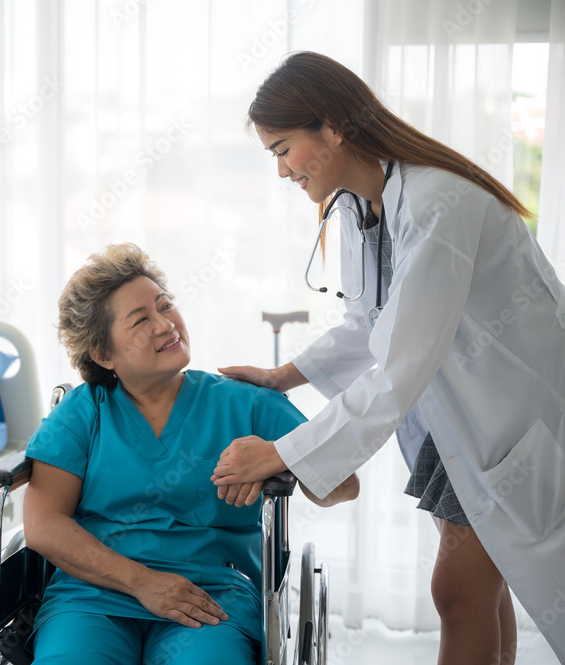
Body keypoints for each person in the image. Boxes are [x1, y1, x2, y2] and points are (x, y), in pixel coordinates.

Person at [212, 51, 565, 665]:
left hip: (506, 417)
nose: (281, 171)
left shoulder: (438, 203)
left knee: (456, 591)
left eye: (281, 148)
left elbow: (401, 363)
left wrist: (282, 453)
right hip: (457, 420)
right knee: (479, 588)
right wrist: (281, 376)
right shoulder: (359, 207)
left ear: (330, 127)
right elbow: (366, 325)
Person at [23, 243, 358, 665]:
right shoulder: (83, 412)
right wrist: (143, 582)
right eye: (142, 319)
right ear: (103, 354)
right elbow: (42, 524)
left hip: (209, 593)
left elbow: (344, 486)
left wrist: (277, 454)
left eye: (165, 306)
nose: (166, 324)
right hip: (93, 593)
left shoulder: (246, 404)